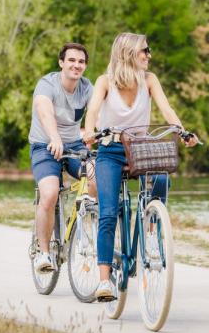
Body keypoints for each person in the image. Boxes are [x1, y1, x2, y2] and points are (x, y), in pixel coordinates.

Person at [84, 32, 198, 302]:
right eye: (144, 51)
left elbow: (167, 110)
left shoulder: (150, 80)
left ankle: (150, 232)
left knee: (161, 180)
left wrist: (182, 131)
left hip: (141, 150)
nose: (149, 55)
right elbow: (91, 113)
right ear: (128, 54)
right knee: (109, 212)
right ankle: (104, 282)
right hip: (110, 152)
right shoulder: (105, 82)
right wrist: (89, 132)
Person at [29, 43, 95, 274]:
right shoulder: (48, 84)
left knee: (97, 178)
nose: (76, 65)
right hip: (44, 145)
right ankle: (44, 253)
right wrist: (55, 138)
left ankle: (87, 227)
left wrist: (94, 131)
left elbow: (99, 111)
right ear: (61, 63)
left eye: (81, 62)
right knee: (49, 194)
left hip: (75, 145)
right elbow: (44, 111)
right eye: (72, 60)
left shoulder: (87, 88)